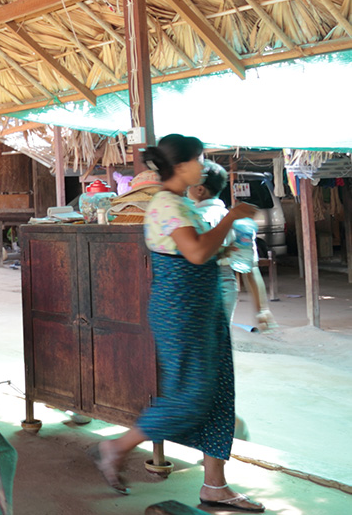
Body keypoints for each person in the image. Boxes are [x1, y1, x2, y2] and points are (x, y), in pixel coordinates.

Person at [90, 135, 263, 512]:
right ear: (183, 166)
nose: (203, 166)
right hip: (181, 313)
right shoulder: (167, 204)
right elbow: (197, 252)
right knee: (192, 397)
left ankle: (215, 485)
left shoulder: (184, 205)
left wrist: (226, 244)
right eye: (199, 159)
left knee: (218, 392)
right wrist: (231, 218)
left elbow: (202, 248)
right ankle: (115, 447)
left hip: (203, 309)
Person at [188, 162, 277, 332]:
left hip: (199, 286)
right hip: (227, 286)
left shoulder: (194, 218)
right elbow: (250, 268)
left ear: (199, 189)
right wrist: (262, 309)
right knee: (219, 339)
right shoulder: (239, 222)